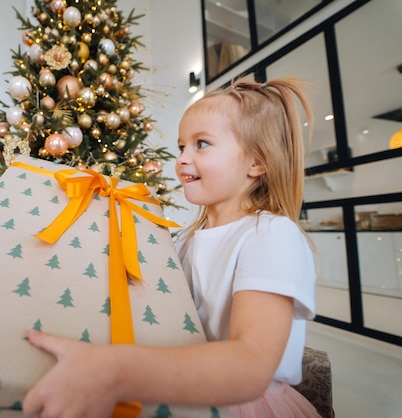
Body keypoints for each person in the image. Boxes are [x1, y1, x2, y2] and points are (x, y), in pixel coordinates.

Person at [22, 77, 320, 417]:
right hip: (187, 392)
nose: (182, 159)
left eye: (201, 144)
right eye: (181, 147)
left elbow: (251, 366)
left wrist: (115, 371)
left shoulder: (271, 235)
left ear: (256, 162)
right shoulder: (184, 240)